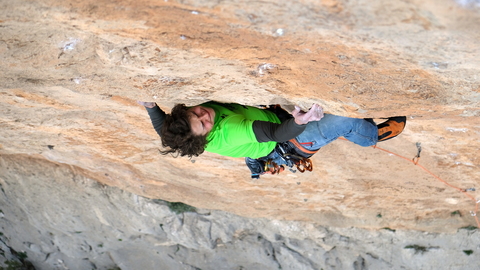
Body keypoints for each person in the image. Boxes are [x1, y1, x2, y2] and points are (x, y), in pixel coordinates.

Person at [138, 101, 406, 178]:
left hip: (274, 129)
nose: (204, 115)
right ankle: (372, 135)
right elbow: (278, 133)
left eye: (196, 113)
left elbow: (165, 132)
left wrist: (151, 107)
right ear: (205, 135)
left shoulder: (183, 127)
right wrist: (300, 121)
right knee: (344, 122)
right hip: (292, 139)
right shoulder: (231, 129)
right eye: (203, 124)